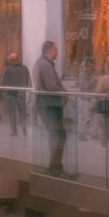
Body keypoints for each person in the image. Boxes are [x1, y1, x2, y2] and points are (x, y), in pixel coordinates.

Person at [33, 40, 70, 177]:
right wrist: (65, 94)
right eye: (56, 50)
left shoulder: (40, 63)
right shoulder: (45, 65)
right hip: (49, 105)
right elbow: (52, 86)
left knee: (57, 135)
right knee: (58, 135)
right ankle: (55, 169)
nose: (58, 52)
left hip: (47, 105)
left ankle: (56, 167)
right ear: (49, 51)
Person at [1, 53, 31, 136]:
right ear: (18, 59)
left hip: (11, 94)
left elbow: (2, 83)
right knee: (22, 111)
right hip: (22, 93)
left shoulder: (7, 69)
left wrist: (4, 92)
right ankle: (23, 127)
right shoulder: (25, 68)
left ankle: (14, 130)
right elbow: (29, 81)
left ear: (10, 61)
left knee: (12, 112)